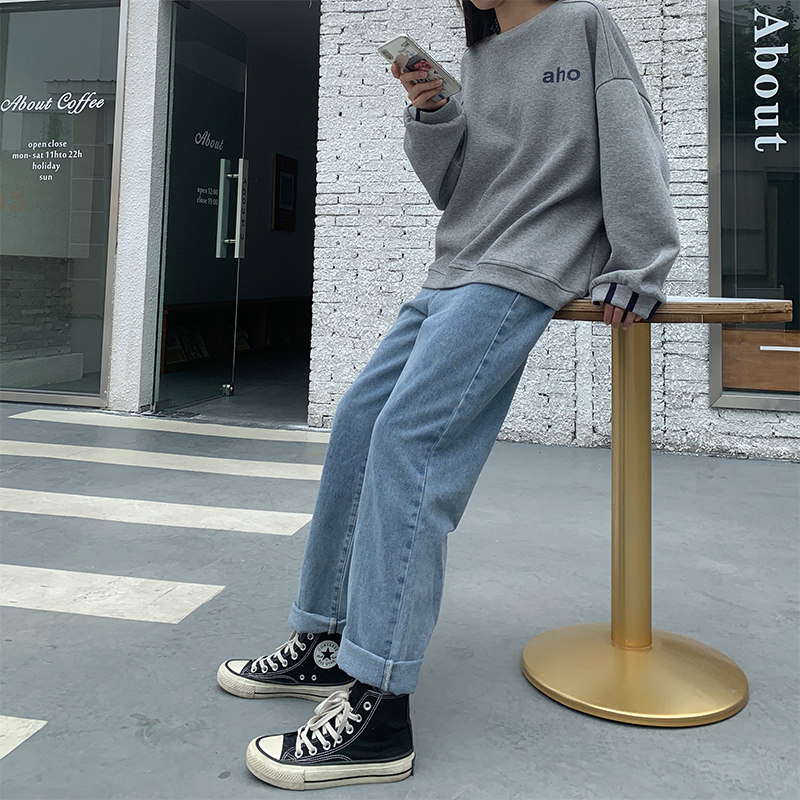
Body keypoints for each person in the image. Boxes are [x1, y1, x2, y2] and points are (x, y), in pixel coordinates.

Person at [217, 0, 680, 790]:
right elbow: (461, 189)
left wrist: (642, 263)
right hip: (455, 266)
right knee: (359, 422)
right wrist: (433, 114)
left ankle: (379, 709)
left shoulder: (584, 24)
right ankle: (327, 639)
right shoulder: (483, 56)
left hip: (522, 269)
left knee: (411, 445)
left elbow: (633, 140)